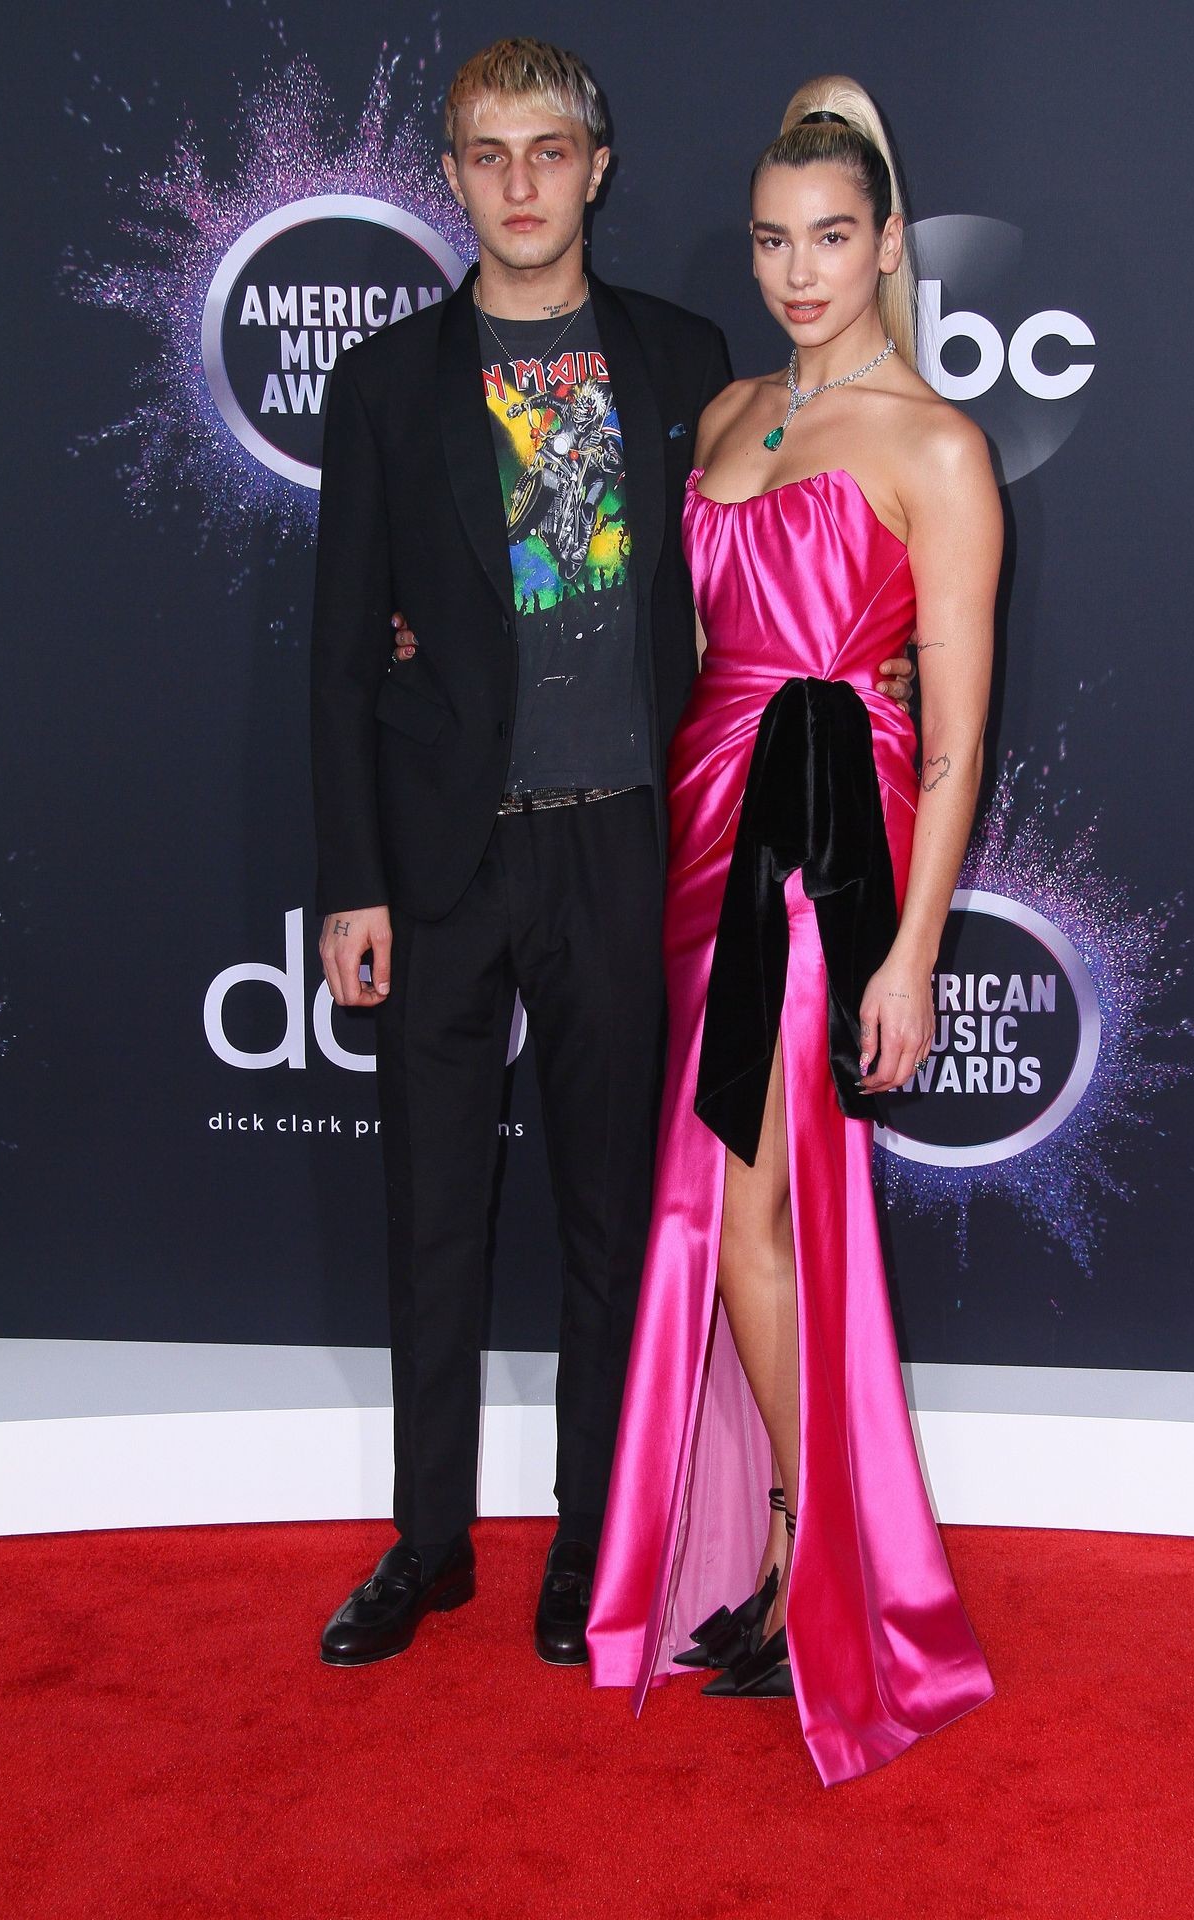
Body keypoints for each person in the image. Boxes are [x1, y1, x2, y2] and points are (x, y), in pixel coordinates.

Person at [309, 40, 913, 1671]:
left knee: (611, 1220)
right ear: (452, 175)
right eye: (487, 152)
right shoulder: (384, 384)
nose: (519, 181)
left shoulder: (683, 360)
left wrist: (872, 676)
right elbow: (338, 657)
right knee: (432, 1213)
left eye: (548, 149)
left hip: (630, 851)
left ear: (597, 165)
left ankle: (593, 1543)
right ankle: (426, 1543)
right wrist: (352, 881)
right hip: (443, 859)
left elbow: (771, 571)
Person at [585, 78, 1000, 1784]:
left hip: (826, 846)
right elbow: (687, 640)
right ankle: (783, 1545)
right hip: (702, 826)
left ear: (887, 244)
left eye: (831, 236)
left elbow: (958, 735)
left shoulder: (937, 448)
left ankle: (826, 1558)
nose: (798, 271)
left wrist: (911, 950)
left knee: (752, 1201)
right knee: (724, 1201)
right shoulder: (728, 414)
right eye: (772, 241)